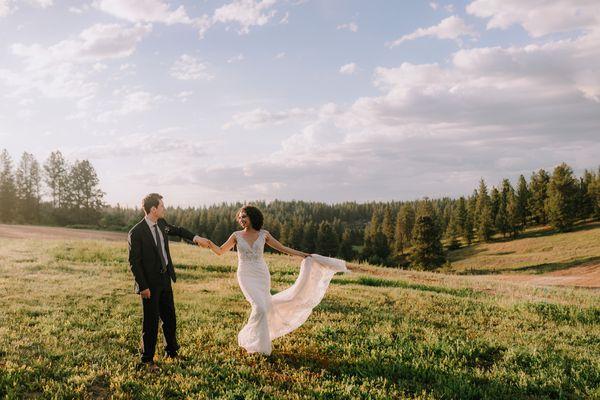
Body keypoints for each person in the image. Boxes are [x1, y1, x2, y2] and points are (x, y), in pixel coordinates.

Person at [205, 205, 347, 355]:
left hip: (261, 274)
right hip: (246, 275)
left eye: (244, 216)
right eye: (239, 217)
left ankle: (258, 343)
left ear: (253, 217)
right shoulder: (236, 235)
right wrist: (208, 243)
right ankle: (249, 339)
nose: (241, 219)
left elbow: (282, 248)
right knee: (259, 307)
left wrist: (303, 255)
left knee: (264, 308)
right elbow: (220, 251)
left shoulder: (264, 234)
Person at [128, 193, 208, 369]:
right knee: (150, 322)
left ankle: (171, 352)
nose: (165, 209)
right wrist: (143, 286)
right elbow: (134, 262)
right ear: (153, 209)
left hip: (165, 279)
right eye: (162, 206)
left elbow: (179, 231)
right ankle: (147, 360)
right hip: (149, 284)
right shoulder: (137, 232)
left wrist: (196, 238)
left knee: (170, 318)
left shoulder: (162, 224)